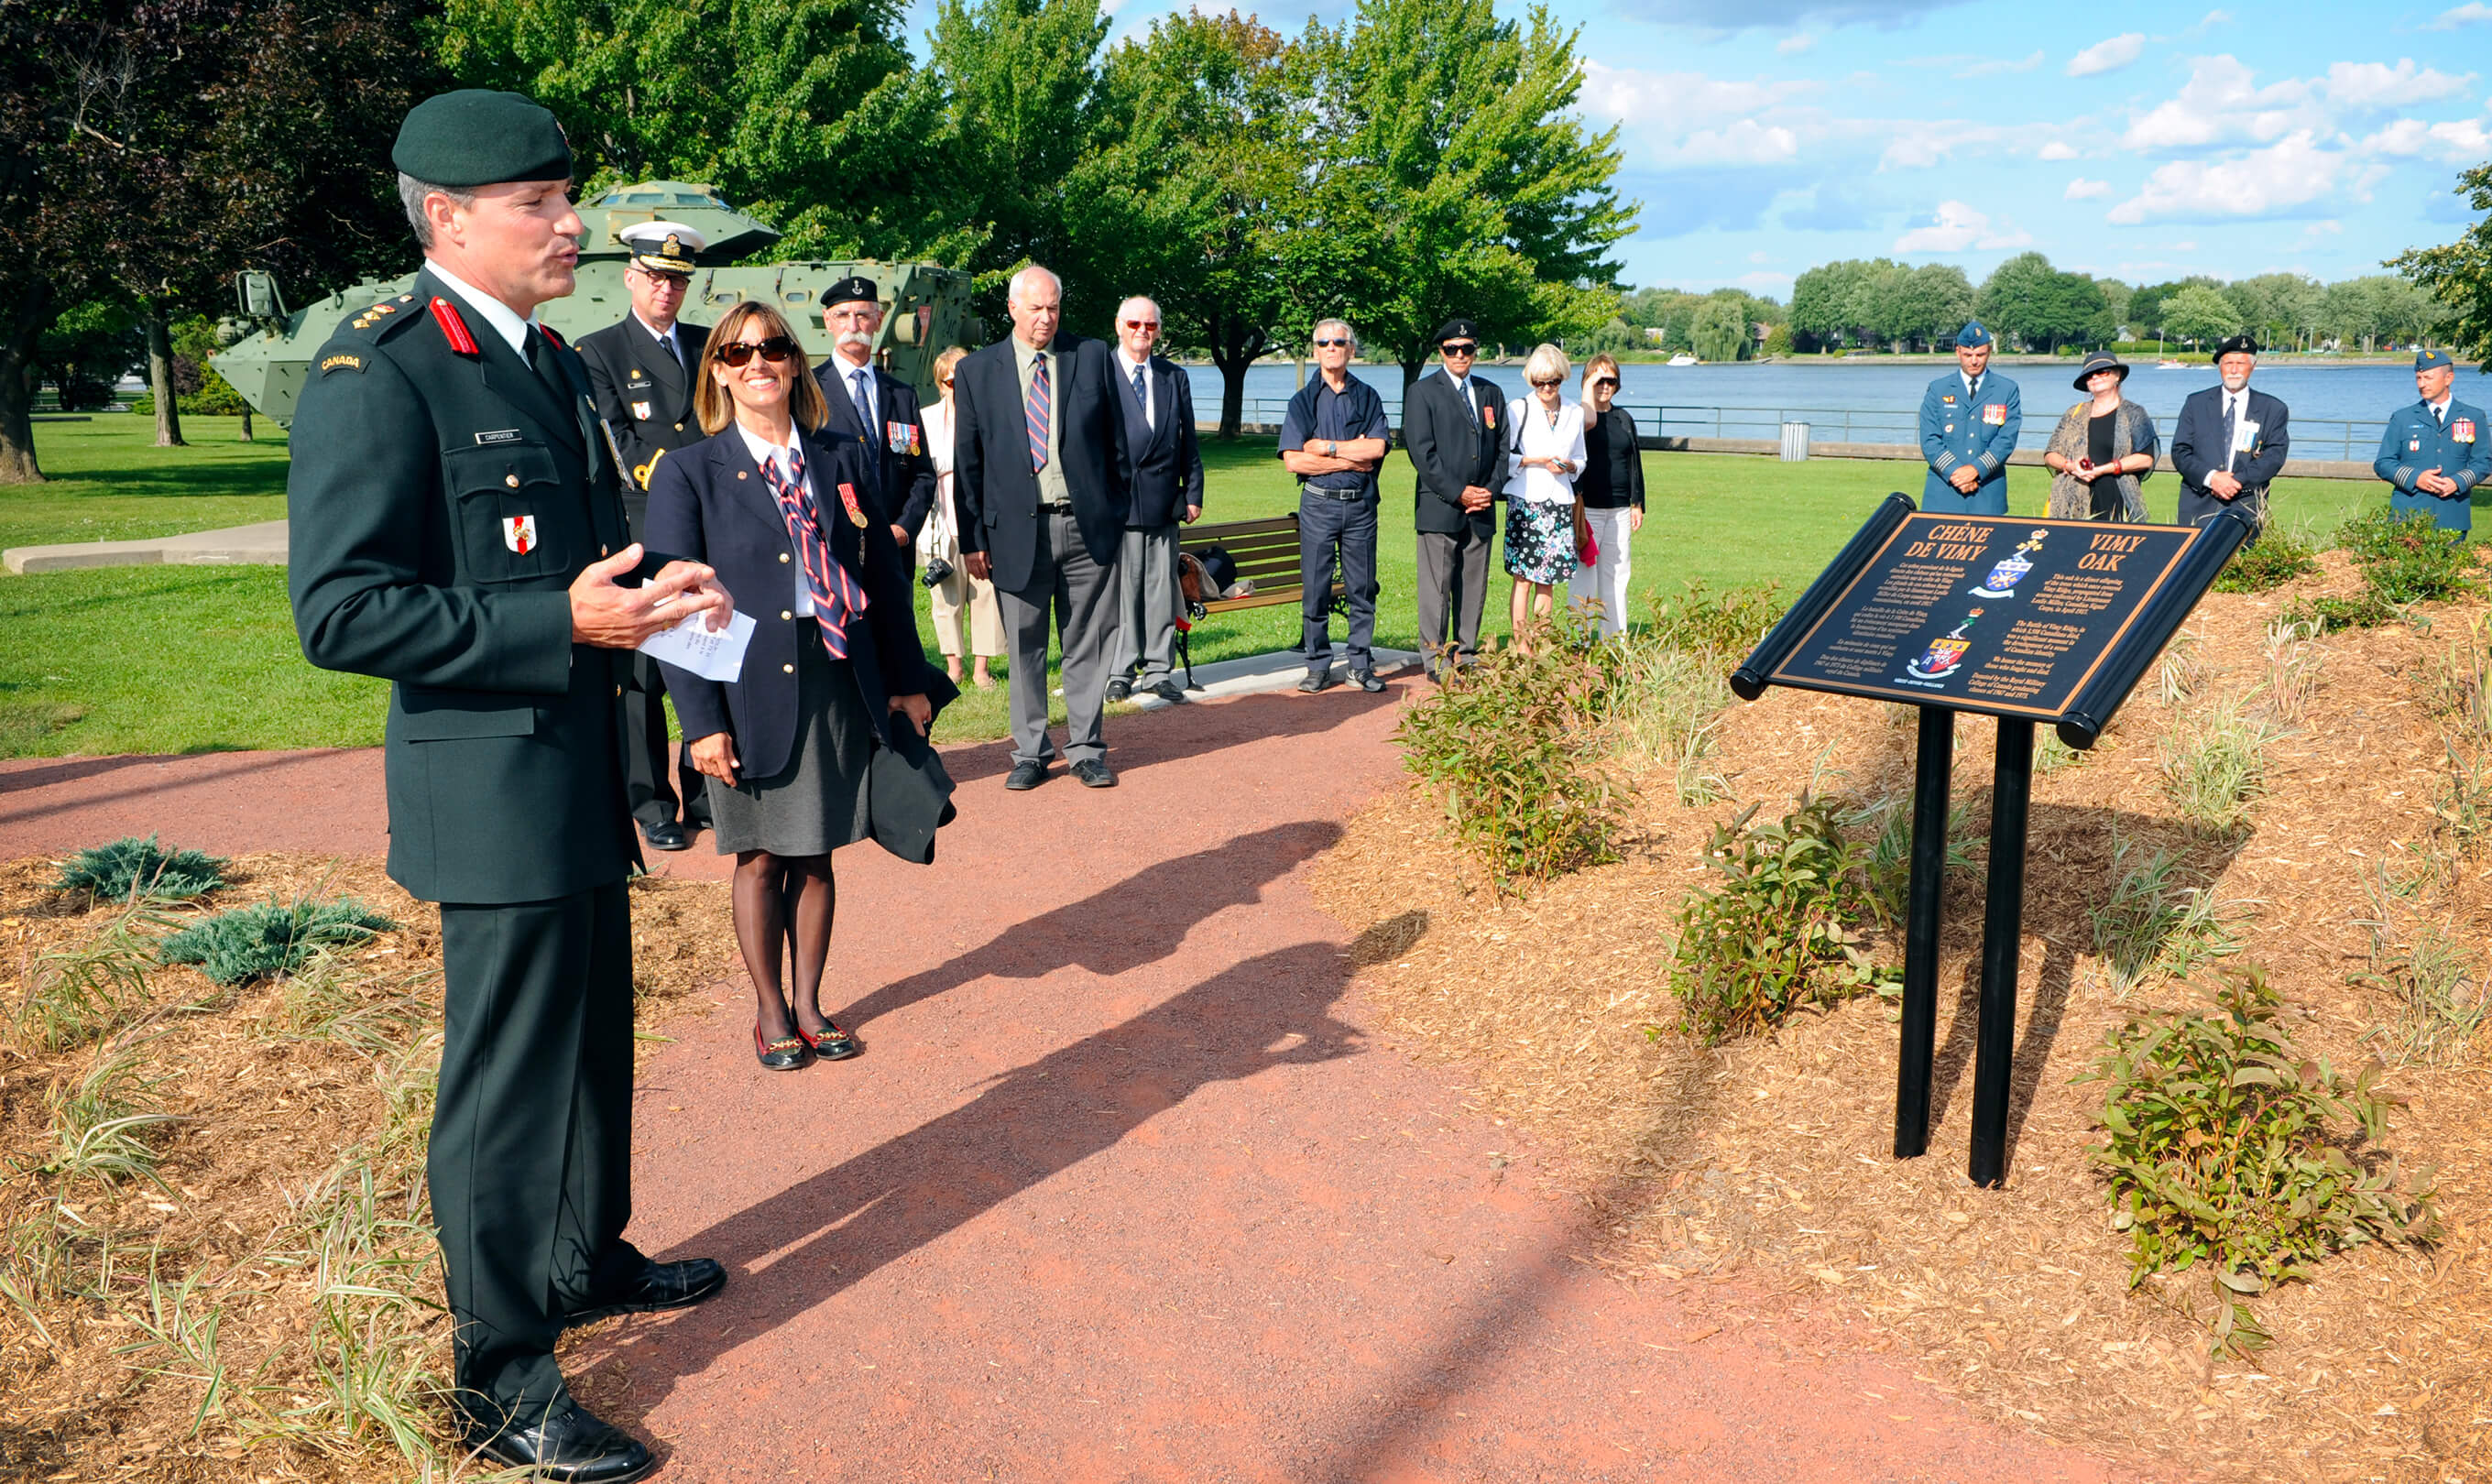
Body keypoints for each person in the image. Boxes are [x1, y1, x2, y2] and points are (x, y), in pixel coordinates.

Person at [286, 89, 734, 1480]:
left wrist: (653, 589)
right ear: (448, 218)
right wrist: (563, 625)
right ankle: (499, 1384)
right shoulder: (386, 367)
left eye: (564, 197)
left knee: (593, 1044)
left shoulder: (544, 360)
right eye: (538, 204)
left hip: (580, 771)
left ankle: (584, 1259)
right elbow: (341, 611)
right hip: (490, 795)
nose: (570, 224)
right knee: (507, 1088)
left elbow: (570, 558)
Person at [646, 300, 948, 1075]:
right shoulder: (689, 470)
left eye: (773, 348)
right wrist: (700, 724)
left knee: (816, 853)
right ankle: (770, 1010)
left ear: (793, 363)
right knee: (759, 858)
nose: (758, 364)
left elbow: (883, 579)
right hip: (744, 685)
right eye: (738, 353)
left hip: (834, 674)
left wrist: (907, 680)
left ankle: (810, 1004)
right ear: (718, 372)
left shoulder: (841, 457)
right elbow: (675, 610)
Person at [954, 265, 1132, 790]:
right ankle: (1030, 752)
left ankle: (1086, 750)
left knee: (1087, 644)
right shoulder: (977, 371)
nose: (1045, 318)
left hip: (1084, 529)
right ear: (1012, 308)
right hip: (1015, 534)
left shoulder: (1091, 356)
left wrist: (1113, 514)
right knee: (1025, 647)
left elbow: (1117, 446)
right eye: (1035, 308)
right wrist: (973, 540)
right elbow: (968, 463)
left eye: (1053, 307)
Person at [579, 219, 714, 852]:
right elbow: (619, 441)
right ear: (631, 278)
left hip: (713, 521)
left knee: (710, 655)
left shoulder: (710, 345)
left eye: (677, 280)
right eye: (656, 277)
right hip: (644, 527)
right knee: (643, 676)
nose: (667, 290)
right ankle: (652, 802)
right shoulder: (599, 351)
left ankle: (708, 792)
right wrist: (693, 474)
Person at [1277, 317, 1391, 693]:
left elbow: (1376, 448)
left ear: (1351, 350)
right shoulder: (1302, 401)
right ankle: (1318, 665)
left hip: (1360, 507)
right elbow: (1294, 460)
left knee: (1362, 588)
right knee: (1316, 589)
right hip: (1318, 506)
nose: (1331, 348)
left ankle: (1360, 664)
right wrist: (1349, 459)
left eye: (1338, 342)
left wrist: (1325, 448)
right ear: (1315, 350)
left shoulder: (1368, 397)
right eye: (1324, 343)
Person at [1105, 295, 1204, 705]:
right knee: (1123, 593)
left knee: (1162, 590)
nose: (1142, 332)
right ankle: (1120, 672)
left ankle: (1159, 671)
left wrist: (1193, 492)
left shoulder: (1172, 376)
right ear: (1119, 326)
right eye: (1134, 324)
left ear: (1159, 331)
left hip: (1164, 501)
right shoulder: (1100, 372)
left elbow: (1189, 439)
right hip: (1117, 504)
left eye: (1150, 325)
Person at [1402, 317, 1508, 678]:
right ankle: (1436, 658)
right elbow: (1421, 452)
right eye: (1452, 349)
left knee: (1473, 585)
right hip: (1440, 505)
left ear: (1475, 350)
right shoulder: (1422, 392)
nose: (1460, 355)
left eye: (1466, 348)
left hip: (1481, 507)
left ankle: (1468, 653)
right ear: (1441, 352)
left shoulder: (1491, 393)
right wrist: (1459, 492)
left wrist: (1490, 490)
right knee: (1437, 588)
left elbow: (1504, 447)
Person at [811, 276, 936, 550]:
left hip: (894, 549)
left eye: (863, 315)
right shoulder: (808, 392)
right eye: (842, 315)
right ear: (827, 321)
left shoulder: (902, 395)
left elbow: (922, 474)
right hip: (833, 548)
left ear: (879, 320)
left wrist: (904, 527)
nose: (853, 325)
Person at [917, 345, 1004, 688]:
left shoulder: (989, 417)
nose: (957, 387)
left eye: (964, 380)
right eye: (951, 381)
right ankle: (954, 666)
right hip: (940, 520)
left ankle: (982, 669)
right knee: (946, 597)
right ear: (941, 384)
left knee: (985, 595)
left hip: (980, 518)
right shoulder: (925, 419)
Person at [1502, 344, 1588, 651]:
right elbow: (1504, 457)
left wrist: (1570, 465)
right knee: (1523, 578)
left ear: (1562, 379)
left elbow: (1581, 458)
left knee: (1547, 578)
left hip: (1559, 501)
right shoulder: (1518, 409)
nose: (1547, 388)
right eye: (1540, 382)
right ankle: (1521, 647)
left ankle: (1539, 645)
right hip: (1526, 501)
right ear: (1532, 380)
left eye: (1553, 381)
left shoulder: (1575, 412)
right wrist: (1535, 460)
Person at [2171, 334, 2290, 531]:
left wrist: (2236, 481)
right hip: (2198, 505)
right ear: (2220, 367)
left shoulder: (2273, 409)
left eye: (2240, 363)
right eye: (2228, 363)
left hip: (2245, 506)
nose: (2234, 370)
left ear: (2252, 366)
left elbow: (2274, 457)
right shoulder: (2195, 403)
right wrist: (2212, 478)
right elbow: (2180, 452)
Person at [2374, 347, 2491, 536]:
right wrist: (2416, 478)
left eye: (2428, 378)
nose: (2422, 384)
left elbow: (2484, 463)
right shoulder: (2402, 418)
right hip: (2407, 519)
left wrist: (2457, 482)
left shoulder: (2473, 417)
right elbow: (2383, 463)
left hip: (2452, 518)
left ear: (2448, 378)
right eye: (2418, 378)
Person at [1570, 353, 1644, 638]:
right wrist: (1587, 392)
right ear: (1587, 381)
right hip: (1588, 509)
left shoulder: (1623, 418)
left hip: (1619, 509)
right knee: (1585, 576)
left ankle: (1614, 640)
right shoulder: (1579, 417)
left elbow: (1634, 460)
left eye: (1610, 381)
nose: (1605, 386)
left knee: (1617, 575)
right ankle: (1579, 639)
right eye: (1598, 380)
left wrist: (1637, 502)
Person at [1919, 322, 2021, 516]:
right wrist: (1956, 473)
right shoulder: (1937, 389)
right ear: (1958, 352)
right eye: (1968, 355)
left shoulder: (2007, 389)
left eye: (1980, 355)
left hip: (1987, 494)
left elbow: (2006, 440)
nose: (1974, 361)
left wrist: (1976, 470)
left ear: (1989, 352)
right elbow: (1929, 440)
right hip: (1943, 494)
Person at [2041, 352, 2159, 521]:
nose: (2095, 377)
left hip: (2117, 496)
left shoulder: (2134, 413)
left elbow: (2145, 459)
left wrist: (2103, 469)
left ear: (2117, 376)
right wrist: (2070, 465)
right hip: (2071, 499)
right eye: (2089, 375)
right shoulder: (2073, 413)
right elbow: (2050, 454)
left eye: (2102, 372)